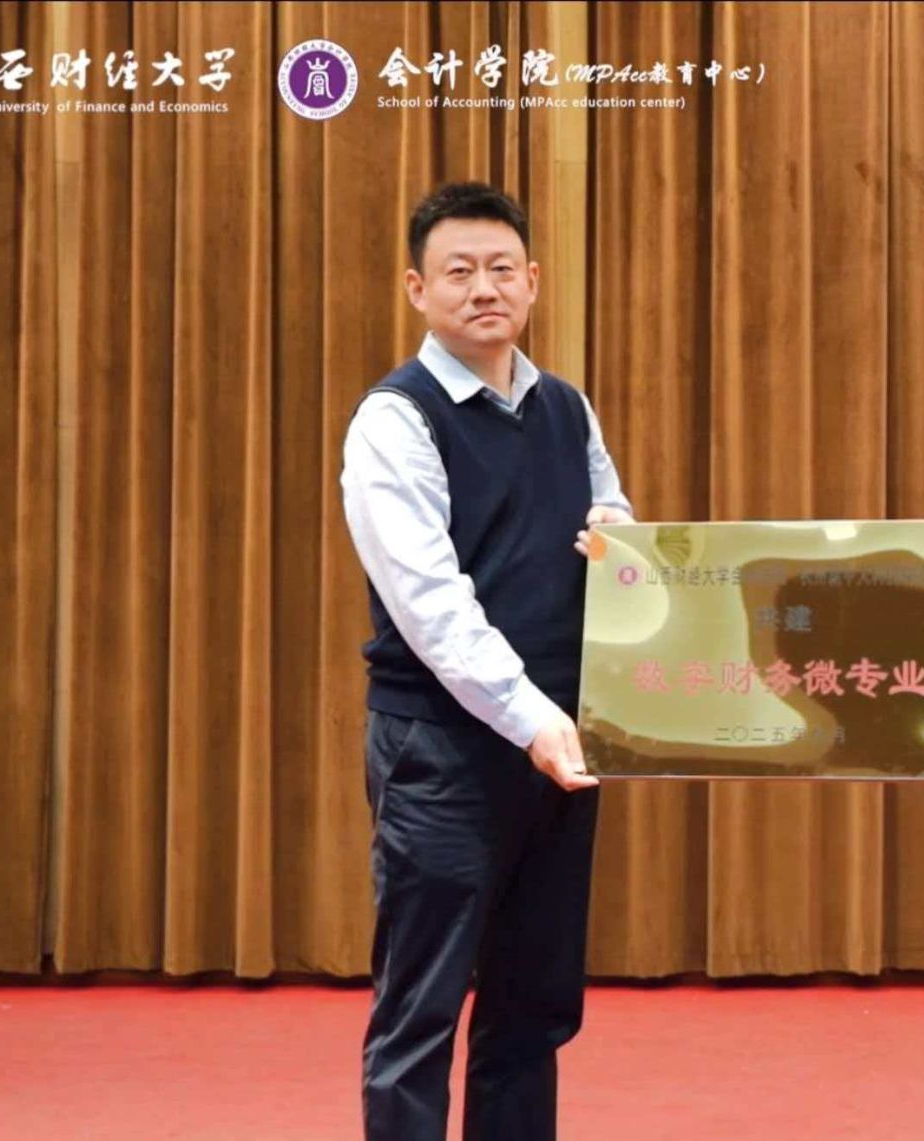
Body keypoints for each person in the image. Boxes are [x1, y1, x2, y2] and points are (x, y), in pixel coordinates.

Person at [339, 181, 631, 1141]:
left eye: (502, 268)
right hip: (443, 750)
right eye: (458, 271)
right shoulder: (395, 419)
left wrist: (620, 538)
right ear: (417, 289)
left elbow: (613, 518)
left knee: (532, 1007)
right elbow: (431, 604)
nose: (483, 288)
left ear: (533, 280)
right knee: (420, 1007)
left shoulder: (567, 408)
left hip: (558, 747)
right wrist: (534, 717)